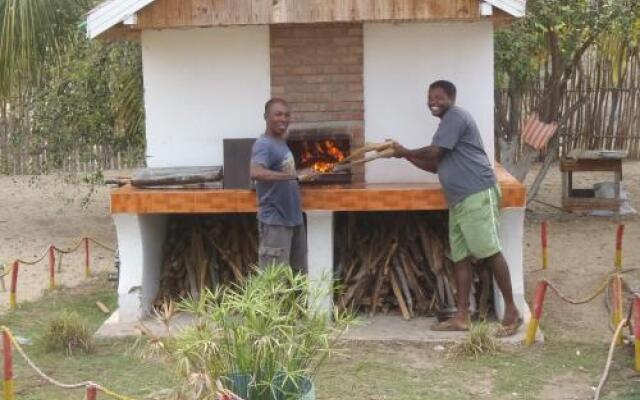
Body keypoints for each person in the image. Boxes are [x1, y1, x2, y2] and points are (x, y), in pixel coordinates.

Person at [391, 80, 521, 336]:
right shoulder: (445, 128)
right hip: (460, 200)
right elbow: (434, 164)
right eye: (430, 98)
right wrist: (404, 155)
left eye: (439, 97)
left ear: (452, 98)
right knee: (460, 256)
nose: (433, 102)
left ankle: (512, 311)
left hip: (477, 195)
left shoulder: (456, 117)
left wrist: (405, 150)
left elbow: (434, 152)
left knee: (491, 251)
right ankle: (462, 317)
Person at [250, 98, 315, 273]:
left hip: (294, 219)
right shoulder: (263, 144)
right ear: (266, 116)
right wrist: (296, 176)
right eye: (278, 114)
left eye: (287, 115)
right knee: (274, 282)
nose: (283, 119)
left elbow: (285, 174)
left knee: (298, 278)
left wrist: (303, 173)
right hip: (275, 221)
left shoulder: (281, 143)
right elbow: (255, 172)